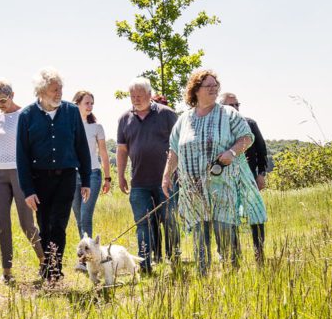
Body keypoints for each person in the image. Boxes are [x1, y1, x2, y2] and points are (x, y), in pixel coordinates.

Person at [165, 68, 262, 276]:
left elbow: (247, 137)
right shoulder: (184, 119)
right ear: (196, 90)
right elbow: (174, 149)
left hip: (222, 186)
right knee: (200, 236)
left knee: (225, 232)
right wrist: (166, 175)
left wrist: (232, 152)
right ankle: (203, 277)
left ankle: (232, 275)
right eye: (208, 86)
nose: (213, 89)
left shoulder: (228, 114)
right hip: (193, 189)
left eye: (215, 86)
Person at [15, 70, 96, 287]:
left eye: (60, 88)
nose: (59, 93)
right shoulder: (26, 115)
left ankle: (54, 272)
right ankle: (47, 266)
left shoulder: (71, 111)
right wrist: (27, 190)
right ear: (41, 91)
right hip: (39, 178)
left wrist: (86, 179)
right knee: (44, 225)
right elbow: (21, 156)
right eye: (54, 89)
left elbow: (81, 146)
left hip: (66, 177)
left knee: (58, 224)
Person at [113, 79, 178, 274]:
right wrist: (121, 175)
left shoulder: (167, 115)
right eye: (133, 96)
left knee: (170, 221)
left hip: (165, 181)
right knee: (143, 224)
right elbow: (122, 149)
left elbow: (179, 144)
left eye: (140, 96)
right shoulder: (124, 119)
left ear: (150, 95)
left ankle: (174, 257)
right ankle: (145, 263)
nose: (136, 100)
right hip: (139, 182)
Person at [0, 80, 41, 284]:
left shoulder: (25, 114)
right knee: (3, 225)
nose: (0, 104)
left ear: (12, 95)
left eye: (3, 99)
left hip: (20, 172)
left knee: (27, 223)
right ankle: (7, 271)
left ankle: (45, 261)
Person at [222, 92, 272, 265]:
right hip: (226, 182)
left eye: (237, 105)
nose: (235, 108)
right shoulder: (219, 129)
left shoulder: (249, 123)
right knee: (230, 219)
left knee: (256, 216)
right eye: (230, 106)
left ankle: (260, 254)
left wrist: (261, 174)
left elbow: (261, 150)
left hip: (249, 179)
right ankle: (235, 258)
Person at [71, 90, 110, 239]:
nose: (90, 106)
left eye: (92, 103)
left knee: (85, 216)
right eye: (87, 103)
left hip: (92, 174)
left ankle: (87, 257)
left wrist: (107, 178)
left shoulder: (96, 127)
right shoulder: (69, 126)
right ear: (77, 104)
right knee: (78, 219)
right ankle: (84, 255)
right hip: (72, 175)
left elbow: (104, 154)